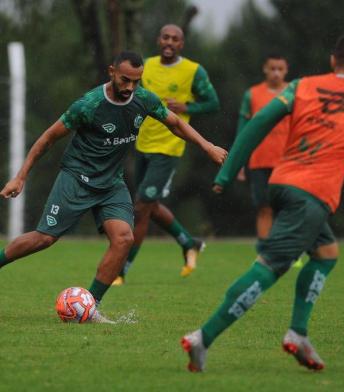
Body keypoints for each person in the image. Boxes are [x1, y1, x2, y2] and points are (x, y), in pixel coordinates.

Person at [181, 33, 344, 371]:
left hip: (281, 182)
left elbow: (258, 123)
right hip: (312, 194)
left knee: (326, 255)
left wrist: (227, 171)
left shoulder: (303, 85)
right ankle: (202, 338)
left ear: (333, 61)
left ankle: (299, 333)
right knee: (269, 268)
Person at [0, 51, 227, 323]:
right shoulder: (89, 105)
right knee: (44, 239)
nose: (130, 87)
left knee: (124, 239)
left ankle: (90, 306)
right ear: (111, 72)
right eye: (125, 80)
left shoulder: (143, 100)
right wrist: (20, 176)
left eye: (136, 81)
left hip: (111, 183)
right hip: (77, 178)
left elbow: (175, 123)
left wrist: (207, 146)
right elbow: (48, 138)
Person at [113, 24, 220, 284]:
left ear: (182, 44)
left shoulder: (193, 70)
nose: (169, 42)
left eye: (175, 38)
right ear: (158, 40)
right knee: (149, 205)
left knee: (140, 207)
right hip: (142, 145)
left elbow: (213, 103)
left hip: (169, 148)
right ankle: (188, 242)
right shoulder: (145, 66)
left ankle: (122, 269)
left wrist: (188, 106)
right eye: (165, 37)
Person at [236, 54, 289, 240]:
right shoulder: (252, 94)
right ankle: (265, 251)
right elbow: (243, 130)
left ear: (286, 70)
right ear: (265, 69)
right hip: (259, 160)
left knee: (287, 208)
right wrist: (238, 161)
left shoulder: (294, 93)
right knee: (264, 208)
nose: (276, 73)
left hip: (287, 160)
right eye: (272, 68)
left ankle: (289, 250)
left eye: (280, 69)